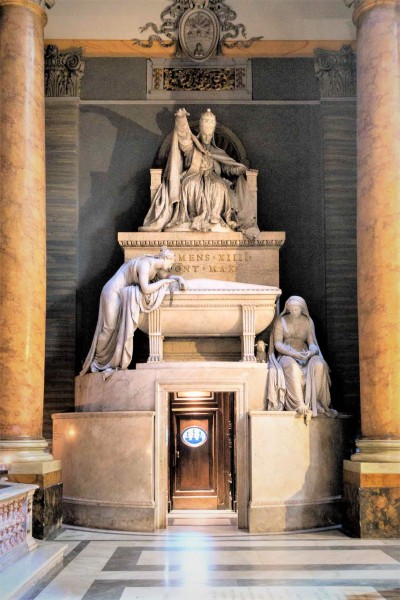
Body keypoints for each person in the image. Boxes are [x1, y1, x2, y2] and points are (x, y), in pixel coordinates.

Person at [139, 107, 259, 239]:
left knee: (219, 186)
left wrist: (239, 169)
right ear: (200, 133)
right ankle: (191, 216)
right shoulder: (192, 148)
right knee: (190, 184)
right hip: (193, 175)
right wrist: (181, 119)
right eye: (205, 134)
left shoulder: (218, 152)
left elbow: (228, 168)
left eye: (209, 135)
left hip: (213, 177)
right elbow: (184, 137)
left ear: (212, 135)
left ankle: (214, 217)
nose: (206, 138)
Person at [80, 247, 185, 377]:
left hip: (122, 295)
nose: (171, 266)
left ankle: (106, 362)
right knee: (109, 328)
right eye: (171, 263)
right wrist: (164, 282)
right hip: (113, 292)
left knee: (116, 329)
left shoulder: (155, 268)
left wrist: (178, 279)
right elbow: (146, 289)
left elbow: (165, 279)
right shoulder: (145, 265)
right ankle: (96, 362)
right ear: (165, 258)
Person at [266, 296, 337, 421]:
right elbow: (277, 344)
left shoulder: (307, 321)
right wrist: (292, 353)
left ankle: (317, 403)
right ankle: (299, 403)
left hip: (305, 354)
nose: (294, 312)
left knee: (320, 365)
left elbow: (312, 342)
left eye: (297, 309)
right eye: (291, 309)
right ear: (287, 309)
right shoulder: (281, 321)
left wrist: (311, 352)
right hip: (286, 354)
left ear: (302, 309)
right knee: (292, 367)